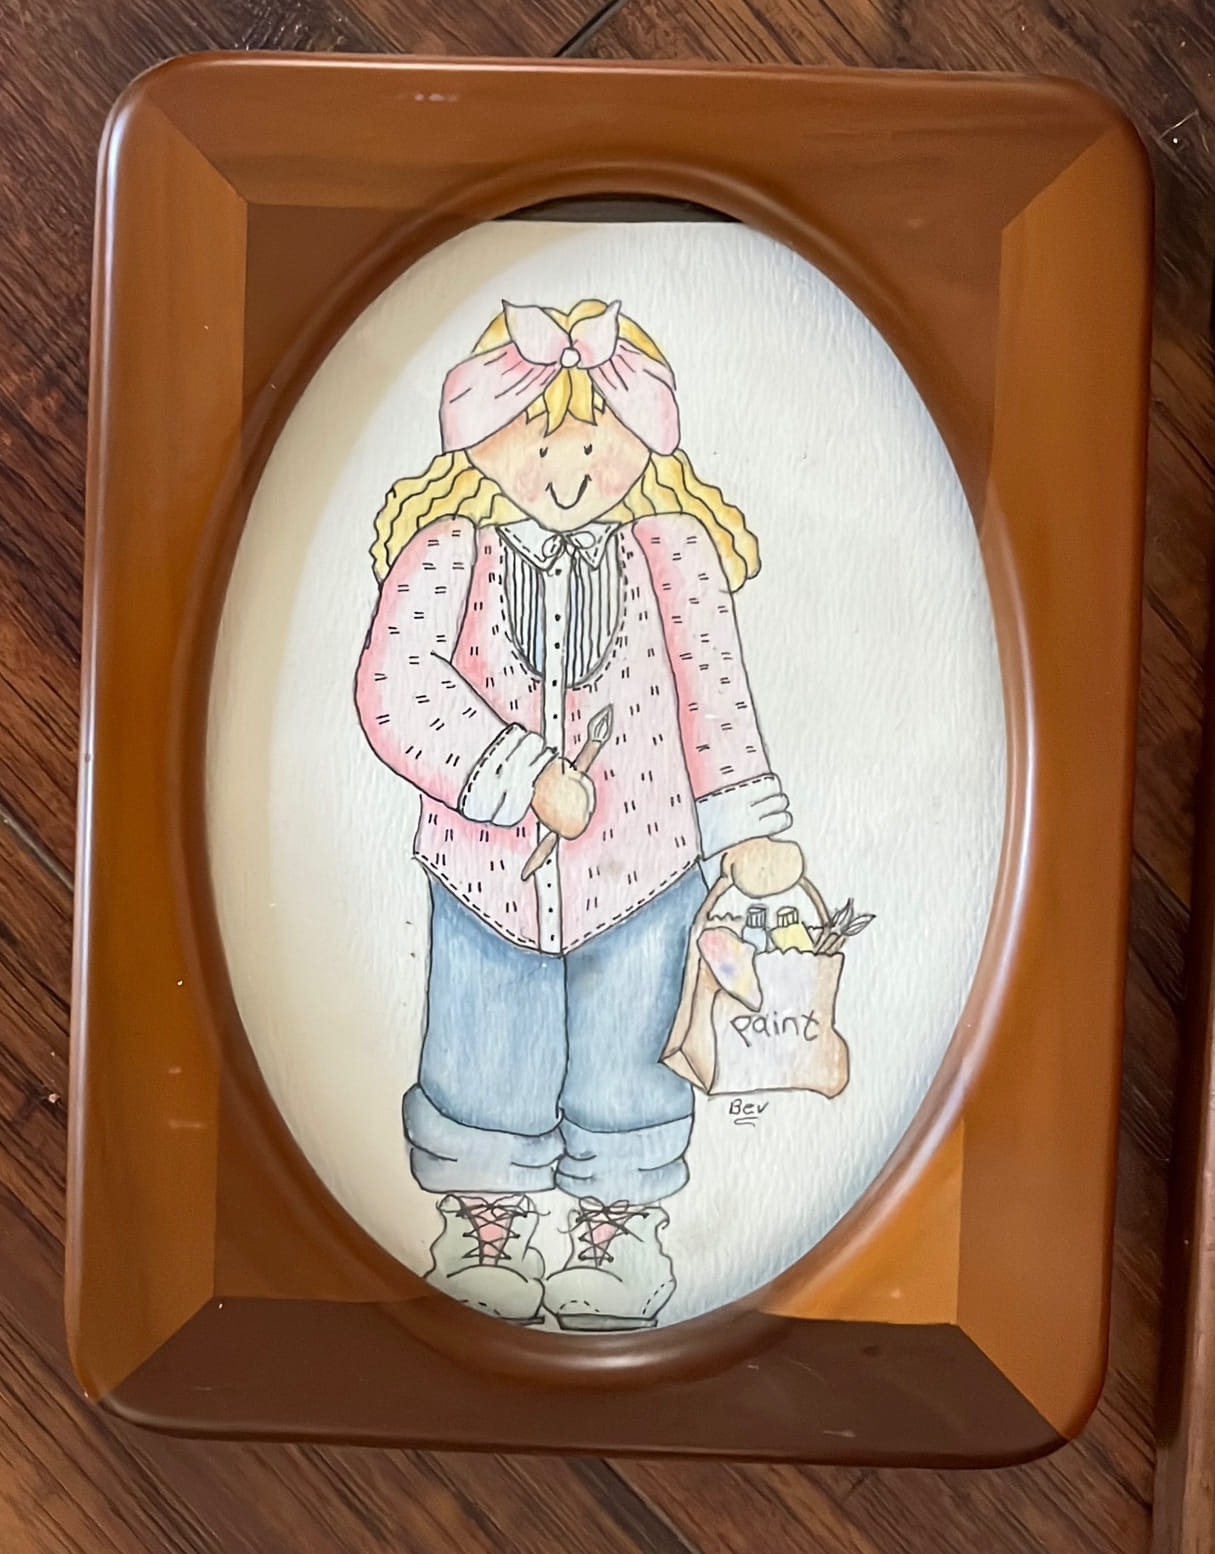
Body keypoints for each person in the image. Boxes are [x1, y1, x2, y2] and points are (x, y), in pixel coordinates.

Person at [356, 298, 802, 1330]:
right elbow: (395, 686)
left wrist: (745, 826)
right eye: (541, 439)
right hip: (484, 877)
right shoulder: (447, 553)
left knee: (629, 1052)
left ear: (643, 441)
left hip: (647, 875)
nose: (567, 471)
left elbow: (711, 695)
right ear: (480, 440)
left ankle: (617, 1232)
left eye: (596, 442)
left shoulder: (673, 553)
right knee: (483, 1046)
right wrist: (512, 772)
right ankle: (486, 1226)